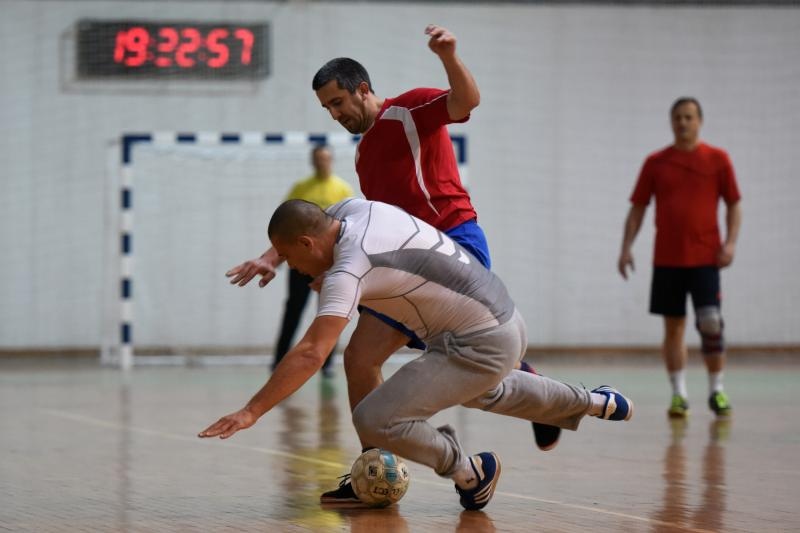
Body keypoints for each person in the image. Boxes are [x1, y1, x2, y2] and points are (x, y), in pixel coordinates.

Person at [225, 23, 562, 502]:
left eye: (338, 102)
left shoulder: (408, 110)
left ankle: (533, 395)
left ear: (363, 89)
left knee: (446, 358)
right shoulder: (365, 157)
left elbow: (466, 102)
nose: (335, 114)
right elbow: (333, 225)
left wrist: (448, 55)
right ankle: (374, 471)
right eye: (327, 108)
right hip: (405, 267)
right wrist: (271, 256)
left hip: (454, 246)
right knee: (360, 359)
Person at [201, 198, 634, 511]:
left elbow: (313, 352)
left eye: (293, 261)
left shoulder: (349, 269)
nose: (295, 270)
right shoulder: (356, 209)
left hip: (479, 340)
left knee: (374, 418)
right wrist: (272, 257)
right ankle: (597, 401)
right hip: (502, 318)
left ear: (308, 243)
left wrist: (251, 411)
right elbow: (312, 223)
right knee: (482, 390)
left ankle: (470, 473)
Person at [618, 97, 742, 419]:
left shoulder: (718, 160)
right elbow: (638, 209)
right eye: (678, 118)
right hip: (668, 261)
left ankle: (717, 390)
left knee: (710, 323)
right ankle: (679, 395)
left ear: (699, 121)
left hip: (705, 258)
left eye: (689, 117)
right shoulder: (656, 163)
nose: (683, 123)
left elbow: (733, 203)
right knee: (673, 328)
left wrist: (730, 243)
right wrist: (626, 247)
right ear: (671, 122)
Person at [272, 145, 354, 377]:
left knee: (329, 311)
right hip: (301, 259)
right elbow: (285, 226)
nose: (322, 163)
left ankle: (326, 364)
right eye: (318, 159)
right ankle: (279, 360)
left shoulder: (342, 188)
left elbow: (347, 228)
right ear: (312, 161)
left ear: (331, 161)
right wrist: (275, 259)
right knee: (293, 310)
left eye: (325, 159)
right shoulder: (301, 188)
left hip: (327, 263)